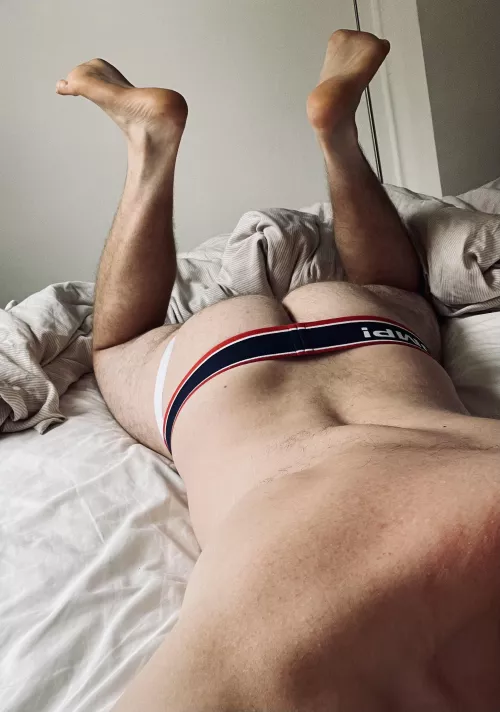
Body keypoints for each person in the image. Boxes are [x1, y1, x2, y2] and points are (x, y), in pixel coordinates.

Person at [57, 30, 500, 712]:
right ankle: (305, 135)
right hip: (342, 376)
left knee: (119, 345)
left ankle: (181, 142)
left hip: (332, 385)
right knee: (390, 291)